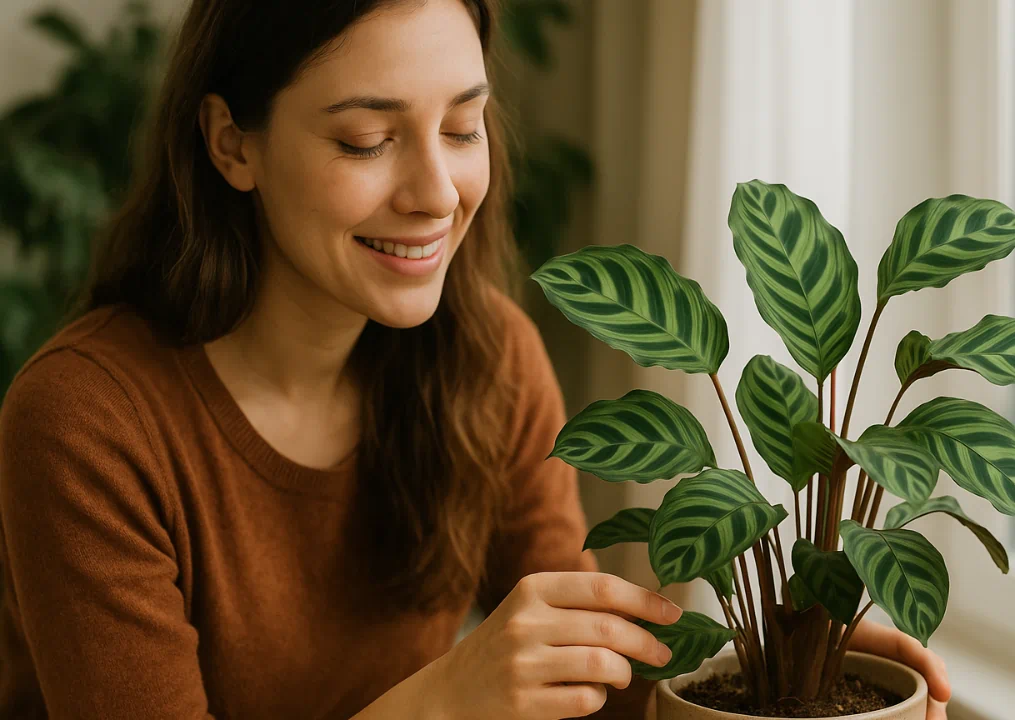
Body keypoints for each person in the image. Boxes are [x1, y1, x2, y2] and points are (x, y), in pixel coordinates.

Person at [0, 1, 951, 718]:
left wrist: (780, 651)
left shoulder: (489, 356)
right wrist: (442, 702)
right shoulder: (87, 421)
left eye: (462, 128)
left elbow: (592, 679)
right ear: (230, 144)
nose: (437, 192)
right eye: (366, 139)